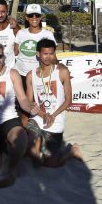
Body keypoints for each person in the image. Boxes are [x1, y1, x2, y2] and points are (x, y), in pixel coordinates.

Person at [0, 41, 46, 176]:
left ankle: (15, 164)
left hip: (9, 120)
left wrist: (30, 109)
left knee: (19, 140)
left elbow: (23, 99)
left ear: (3, 57)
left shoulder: (12, 73)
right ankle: (9, 146)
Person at [25, 39, 82, 167]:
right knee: (32, 153)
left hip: (55, 121)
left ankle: (72, 151)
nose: (48, 57)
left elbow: (68, 100)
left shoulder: (62, 72)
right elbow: (29, 102)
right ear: (38, 54)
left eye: (51, 53)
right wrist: (42, 114)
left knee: (51, 163)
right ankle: (37, 145)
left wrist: (53, 115)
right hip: (37, 119)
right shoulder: (31, 75)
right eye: (45, 53)